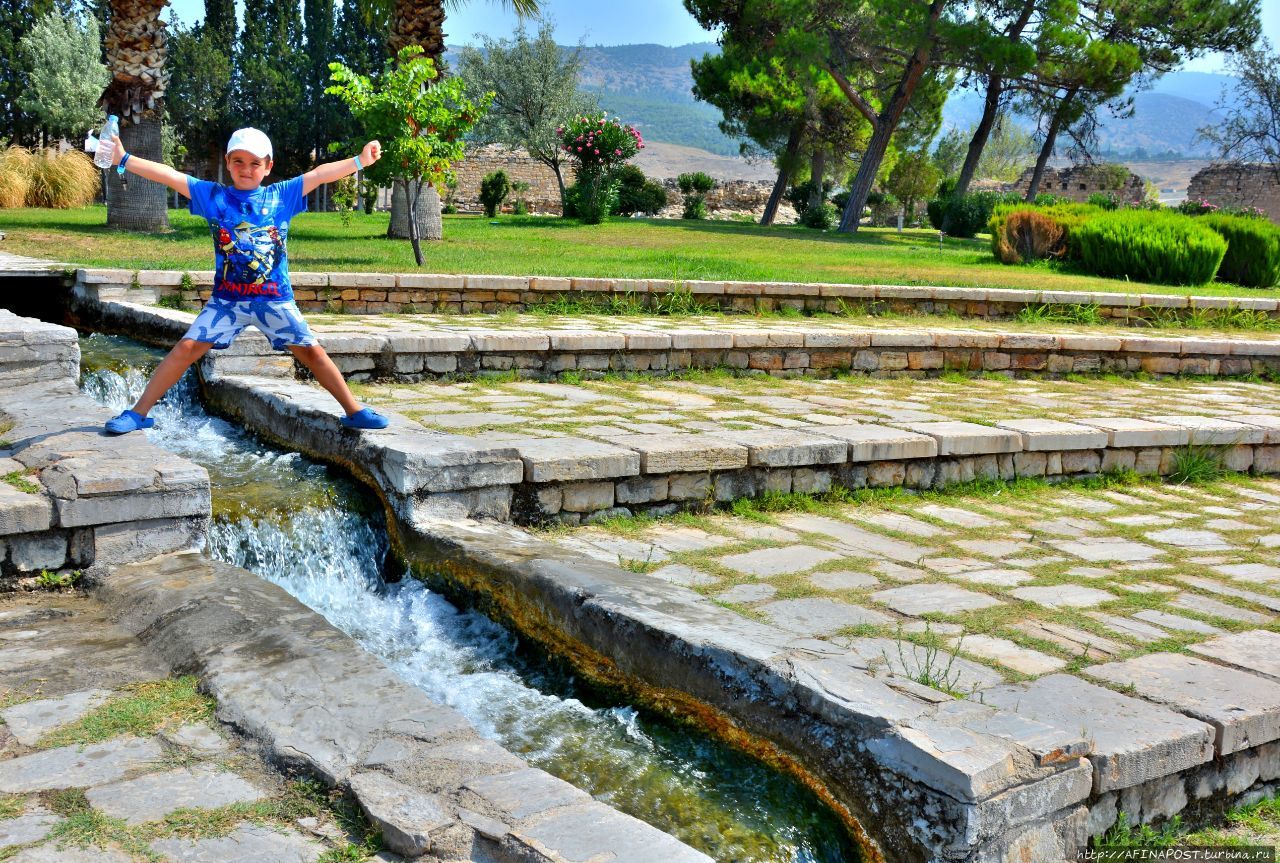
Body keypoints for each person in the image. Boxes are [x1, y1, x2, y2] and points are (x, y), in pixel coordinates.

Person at [102, 127, 390, 434]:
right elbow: (169, 175)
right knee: (186, 347)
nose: (246, 169)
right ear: (227, 163)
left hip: (275, 300)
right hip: (227, 302)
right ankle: (138, 413)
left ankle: (354, 410)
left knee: (312, 352)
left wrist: (359, 161)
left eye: (255, 163)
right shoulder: (213, 196)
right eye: (238, 161)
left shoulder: (281, 195)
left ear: (268, 166)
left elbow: (320, 174)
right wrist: (123, 158)